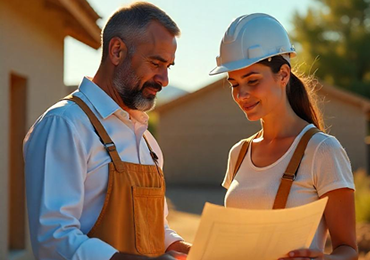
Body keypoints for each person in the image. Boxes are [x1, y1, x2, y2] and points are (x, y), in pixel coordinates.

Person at [23, 2, 191, 260]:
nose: (164, 80)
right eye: (156, 63)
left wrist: (184, 249)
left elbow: (155, 229)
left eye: (169, 66)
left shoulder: (147, 142)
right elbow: (54, 240)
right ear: (116, 51)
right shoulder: (65, 125)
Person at [209, 13, 358, 260]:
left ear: (284, 75)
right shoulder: (239, 153)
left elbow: (349, 250)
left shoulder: (322, 151)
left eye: (252, 81)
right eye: (234, 84)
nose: (241, 95)